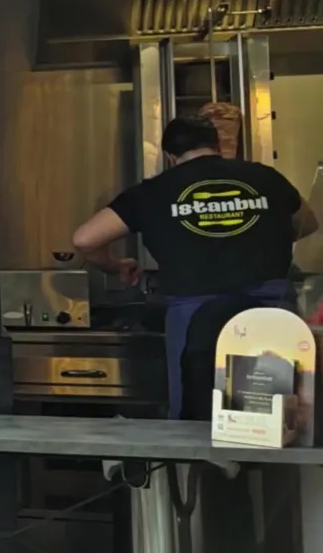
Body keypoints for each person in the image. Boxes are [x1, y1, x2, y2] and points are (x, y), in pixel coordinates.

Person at [72, 114, 318, 419]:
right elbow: (308, 224)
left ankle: (202, 450)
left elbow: (84, 239)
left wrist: (115, 266)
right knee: (277, 417)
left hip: (196, 315)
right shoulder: (266, 177)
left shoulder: (154, 191)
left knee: (196, 414)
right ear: (217, 146)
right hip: (271, 310)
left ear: (170, 156)